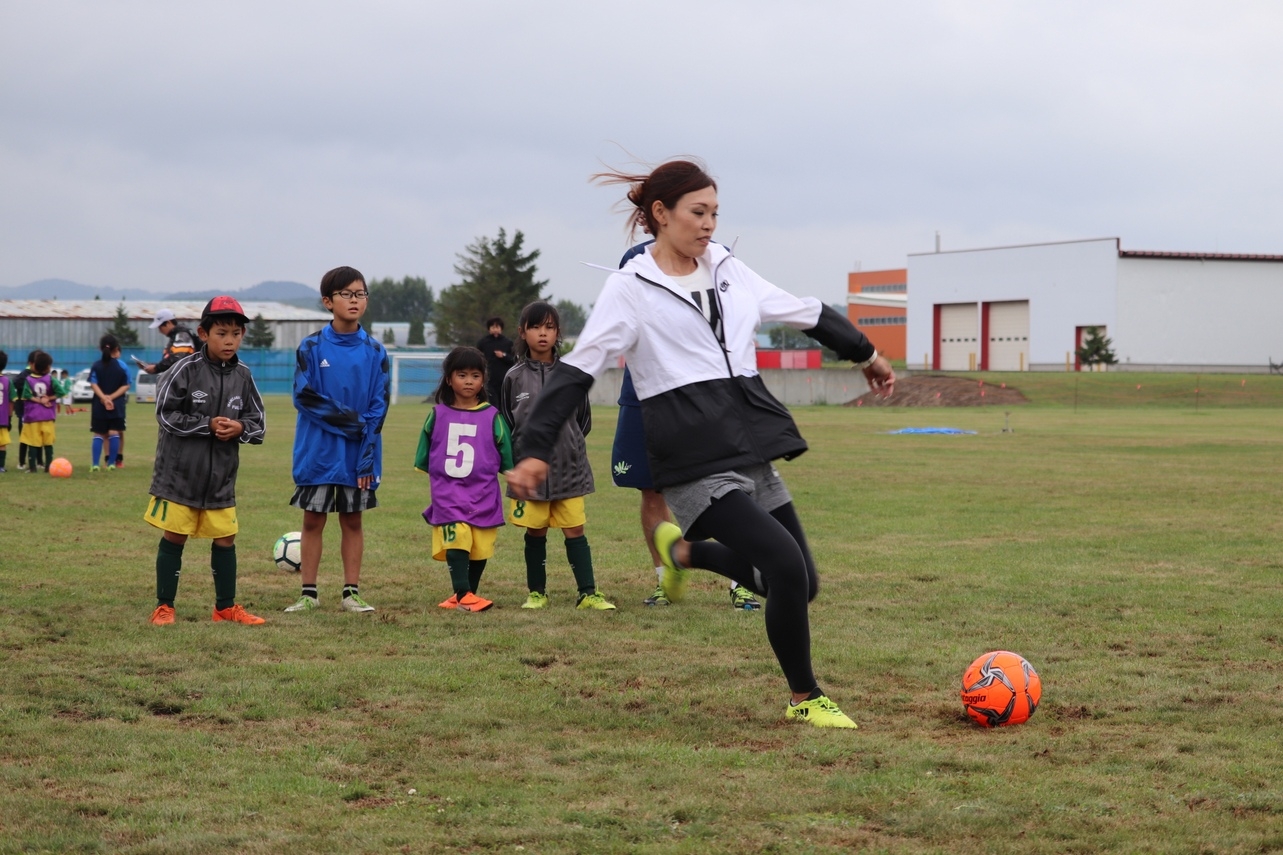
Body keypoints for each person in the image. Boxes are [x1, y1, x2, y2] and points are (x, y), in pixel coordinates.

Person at [506, 159, 896, 728]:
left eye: (715, 212)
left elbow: (805, 311)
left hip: (749, 446)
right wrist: (535, 447)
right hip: (691, 458)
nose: (710, 224)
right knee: (784, 565)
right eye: (698, 212)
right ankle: (805, 697)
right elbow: (578, 369)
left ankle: (686, 553)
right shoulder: (630, 288)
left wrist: (866, 353)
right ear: (660, 214)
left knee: (801, 583)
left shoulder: (729, 269)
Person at [144, 296, 267, 626]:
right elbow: (165, 414)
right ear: (203, 333)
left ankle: (225, 608)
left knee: (226, 539)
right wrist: (206, 425)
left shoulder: (244, 375)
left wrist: (240, 428)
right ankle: (164, 607)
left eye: (236, 334)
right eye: (221, 333)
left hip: (220, 478)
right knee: (175, 536)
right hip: (180, 475)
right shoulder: (184, 369)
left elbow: (258, 424)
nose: (229, 341)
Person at [285, 266, 390, 614]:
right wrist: (355, 424)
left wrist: (366, 454)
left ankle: (351, 593)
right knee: (313, 520)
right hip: (317, 451)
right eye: (346, 294)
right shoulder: (311, 346)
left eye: (360, 294)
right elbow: (305, 396)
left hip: (358, 454)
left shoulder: (376, 352)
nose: (354, 300)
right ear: (328, 302)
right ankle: (309, 594)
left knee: (353, 520)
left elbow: (379, 407)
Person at [501, 300, 615, 611]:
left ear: (558, 333)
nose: (543, 333)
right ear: (522, 332)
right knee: (535, 531)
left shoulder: (572, 374)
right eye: (536, 327)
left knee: (575, 530)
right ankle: (537, 592)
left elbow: (583, 421)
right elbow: (509, 422)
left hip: (569, 469)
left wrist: (569, 446)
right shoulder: (513, 377)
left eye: (549, 328)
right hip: (531, 475)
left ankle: (587, 593)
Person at [414, 346, 514, 612]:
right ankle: (463, 592)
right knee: (457, 537)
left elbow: (506, 453)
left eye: (475, 376)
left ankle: (464, 596)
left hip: (483, 493)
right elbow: (425, 452)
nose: (469, 381)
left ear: (483, 380)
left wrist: (513, 473)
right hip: (449, 493)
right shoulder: (437, 414)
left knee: (480, 545)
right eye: (462, 375)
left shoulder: (493, 416)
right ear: (449, 379)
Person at [89, 334, 130, 473]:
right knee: (114, 432)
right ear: (116, 348)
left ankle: (95, 464)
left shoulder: (96, 365)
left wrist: (103, 398)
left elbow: (93, 383)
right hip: (116, 404)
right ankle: (112, 463)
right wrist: (111, 398)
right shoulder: (121, 366)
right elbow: (126, 385)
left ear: (100, 349)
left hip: (99, 404)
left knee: (99, 433)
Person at [19, 351, 59, 473]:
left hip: (33, 416)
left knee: (33, 442)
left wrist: (38, 400)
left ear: (34, 365)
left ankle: (32, 468)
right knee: (48, 442)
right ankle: (48, 467)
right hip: (48, 416)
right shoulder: (51, 379)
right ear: (47, 367)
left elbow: (26, 395)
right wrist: (49, 398)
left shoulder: (28, 379)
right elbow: (61, 392)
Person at [141, 308, 198, 375]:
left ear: (168, 323)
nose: (159, 331)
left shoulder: (182, 335)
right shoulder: (175, 337)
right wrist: (154, 366)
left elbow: (177, 359)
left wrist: (156, 368)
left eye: (160, 327)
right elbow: (169, 360)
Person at [476, 316, 516, 403]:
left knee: (504, 403)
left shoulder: (508, 343)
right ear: (489, 329)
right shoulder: (483, 343)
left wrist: (504, 355)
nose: (495, 329)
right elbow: (477, 356)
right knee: (493, 402)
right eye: (493, 327)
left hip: (504, 378)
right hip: (489, 379)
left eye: (497, 327)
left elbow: (514, 359)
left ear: (501, 329)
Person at [14, 350, 37, 470]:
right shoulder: (24, 375)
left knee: (38, 437)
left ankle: (39, 461)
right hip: (24, 412)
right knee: (24, 438)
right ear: (31, 363)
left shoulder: (41, 376)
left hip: (37, 412)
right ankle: (22, 462)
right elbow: (15, 383)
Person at [0, 350, 10, 473]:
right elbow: (12, 401)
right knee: (1, 444)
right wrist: (9, 417)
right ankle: (1, 466)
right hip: (2, 418)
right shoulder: (7, 381)